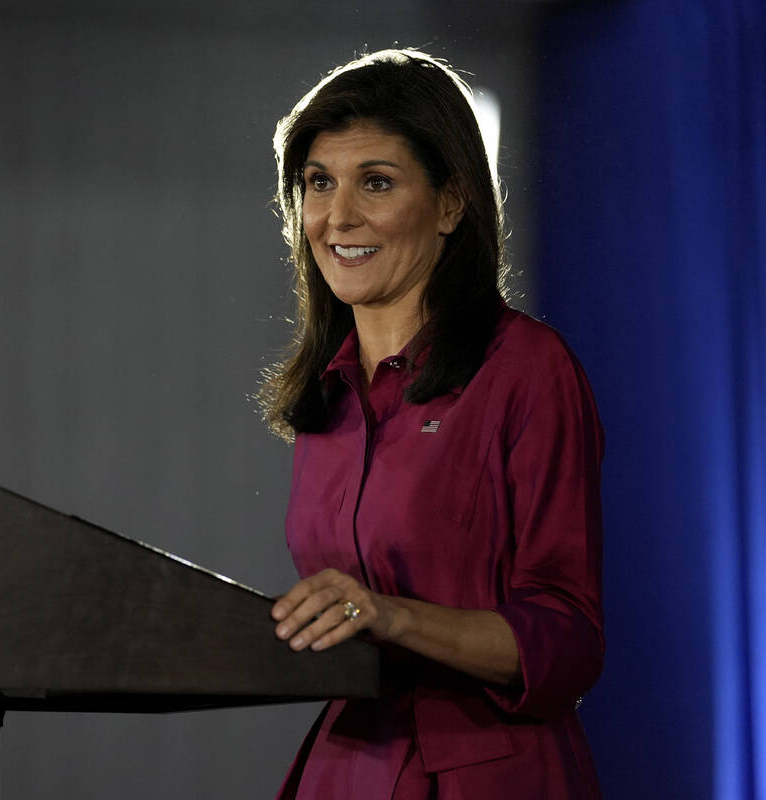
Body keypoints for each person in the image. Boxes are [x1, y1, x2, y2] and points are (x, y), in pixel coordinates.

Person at [259, 49, 605, 798]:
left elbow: (570, 640)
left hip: (490, 773)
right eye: (319, 183)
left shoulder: (526, 369)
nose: (338, 216)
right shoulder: (326, 397)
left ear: (451, 203)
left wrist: (391, 617)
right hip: (346, 768)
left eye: (375, 182)